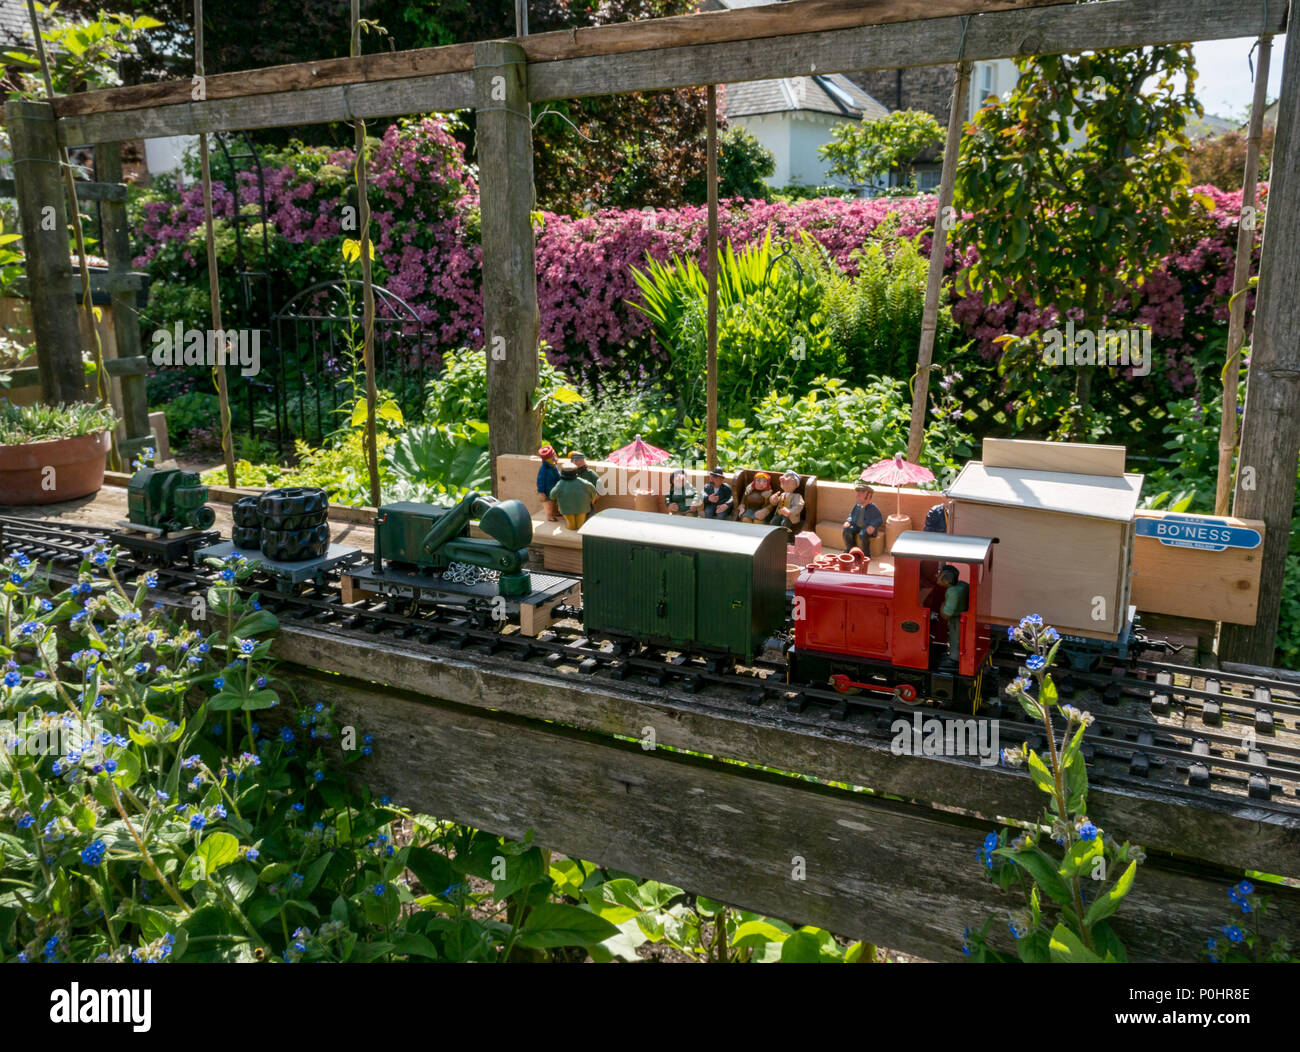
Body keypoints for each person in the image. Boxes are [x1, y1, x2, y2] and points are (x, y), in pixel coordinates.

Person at [936, 565, 969, 671]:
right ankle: (952, 655)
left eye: (939, 575)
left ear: (946, 580)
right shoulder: (963, 585)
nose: (937, 576)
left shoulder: (952, 592)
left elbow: (946, 614)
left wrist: (941, 605)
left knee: (955, 638)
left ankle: (954, 659)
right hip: (961, 617)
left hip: (957, 620)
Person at [549, 461, 599, 531]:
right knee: (580, 524)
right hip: (582, 507)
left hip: (566, 508)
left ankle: (571, 530)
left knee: (571, 525)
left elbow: (552, 495)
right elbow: (593, 490)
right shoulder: (583, 482)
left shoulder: (560, 484)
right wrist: (592, 499)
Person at [842, 483, 883, 551]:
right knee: (847, 530)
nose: (858, 495)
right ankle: (851, 549)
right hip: (857, 526)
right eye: (858, 493)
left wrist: (872, 526)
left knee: (863, 534)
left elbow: (878, 519)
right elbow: (851, 515)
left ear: (869, 496)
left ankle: (865, 554)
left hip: (867, 528)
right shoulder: (857, 506)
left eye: (862, 493)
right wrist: (848, 521)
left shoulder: (873, 509)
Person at [769, 470, 805, 538]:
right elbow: (774, 503)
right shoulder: (782, 494)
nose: (783, 478)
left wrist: (790, 511)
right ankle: (773, 537)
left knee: (784, 524)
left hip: (789, 517)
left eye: (787, 476)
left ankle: (783, 538)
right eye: (784, 476)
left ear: (795, 484)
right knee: (773, 522)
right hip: (779, 514)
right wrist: (773, 499)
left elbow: (799, 505)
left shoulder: (796, 496)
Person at [536, 445, 561, 522]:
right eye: (553, 458)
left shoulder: (554, 466)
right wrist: (541, 491)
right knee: (549, 505)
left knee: (555, 502)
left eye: (555, 456)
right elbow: (540, 480)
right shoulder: (543, 469)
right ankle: (549, 515)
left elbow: (557, 475)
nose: (555, 459)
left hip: (555, 489)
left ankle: (556, 512)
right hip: (547, 491)